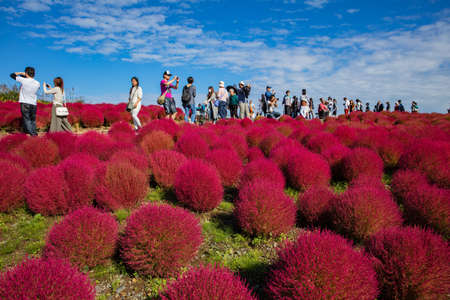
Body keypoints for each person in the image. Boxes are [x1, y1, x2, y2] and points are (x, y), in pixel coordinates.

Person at [10, 67, 40, 136]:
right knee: (32, 119)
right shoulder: (37, 83)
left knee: (26, 119)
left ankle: (32, 134)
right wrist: (26, 75)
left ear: (26, 73)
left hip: (25, 103)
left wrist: (21, 73)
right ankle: (33, 132)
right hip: (33, 103)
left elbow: (12, 75)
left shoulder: (23, 80)